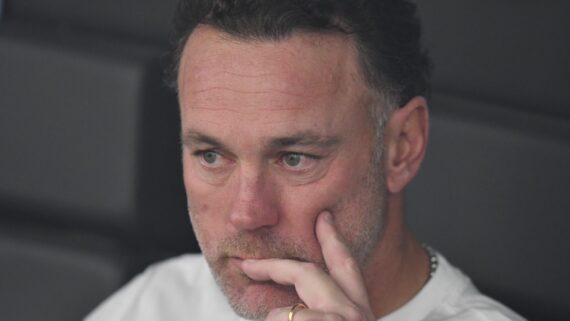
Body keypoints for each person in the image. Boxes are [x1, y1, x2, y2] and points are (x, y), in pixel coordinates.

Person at [86, 0, 526, 320]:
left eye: (294, 159)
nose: (246, 215)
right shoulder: (158, 303)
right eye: (212, 155)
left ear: (401, 147)